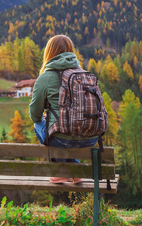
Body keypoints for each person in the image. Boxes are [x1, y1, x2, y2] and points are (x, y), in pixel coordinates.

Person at [29, 34, 99, 184]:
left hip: (63, 141)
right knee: (62, 131)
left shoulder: (45, 78)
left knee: (39, 125)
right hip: (91, 138)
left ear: (49, 52)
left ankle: (61, 172)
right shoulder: (84, 74)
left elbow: (35, 115)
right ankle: (75, 171)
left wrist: (50, 118)